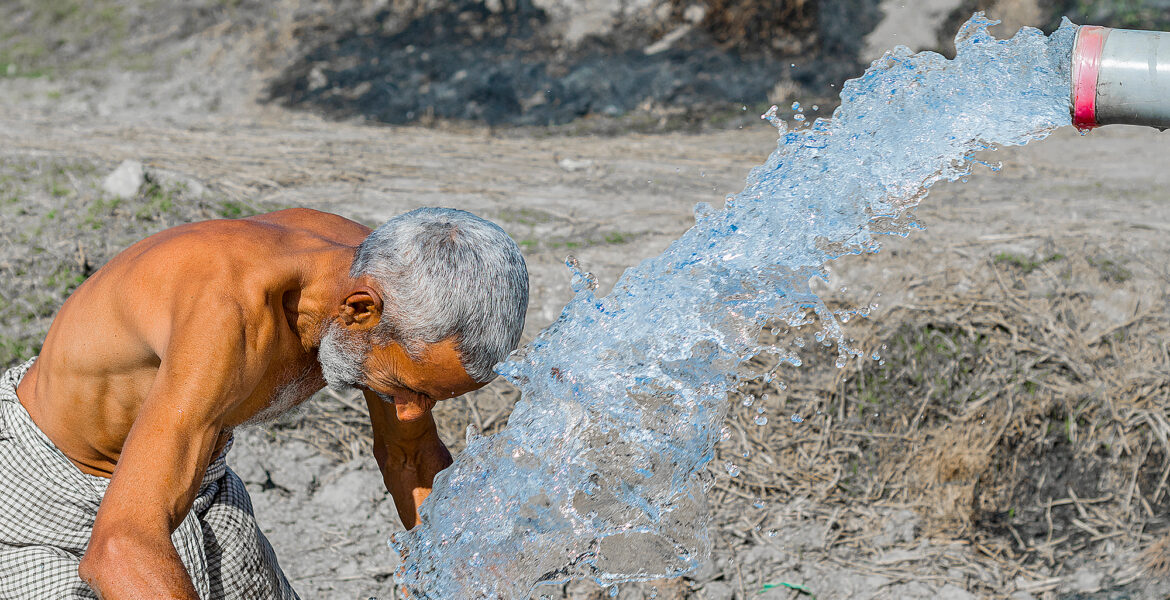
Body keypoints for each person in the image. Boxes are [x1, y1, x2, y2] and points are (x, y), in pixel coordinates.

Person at [0, 206, 529, 599]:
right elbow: (121, 547)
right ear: (360, 310)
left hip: (192, 483)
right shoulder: (228, 313)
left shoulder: (392, 281)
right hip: (38, 494)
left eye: (430, 397)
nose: (410, 412)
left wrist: (463, 579)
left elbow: (410, 457)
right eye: (406, 388)